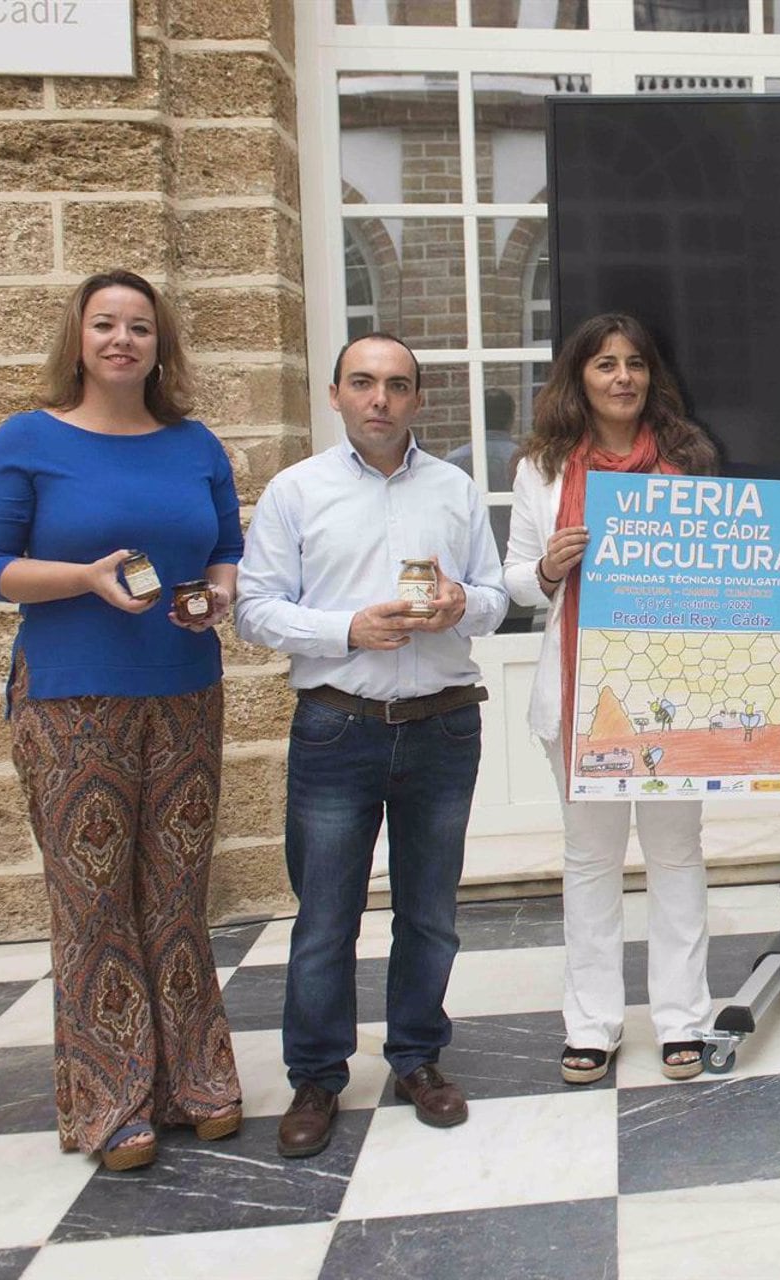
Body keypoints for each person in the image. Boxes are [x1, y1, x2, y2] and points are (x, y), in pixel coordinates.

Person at [0, 269, 243, 1170]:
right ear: (78, 339)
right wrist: (82, 578)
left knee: (176, 894)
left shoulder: (194, 442)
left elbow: (226, 548)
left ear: (162, 345)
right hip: (72, 697)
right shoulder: (28, 440)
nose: (123, 340)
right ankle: (112, 1100)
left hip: (186, 689)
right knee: (92, 902)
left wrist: (219, 594)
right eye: (106, 325)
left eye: (140, 327)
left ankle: (196, 1078)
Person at [236, 331, 507, 1158]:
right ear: (335, 395)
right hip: (335, 725)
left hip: (442, 724)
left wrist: (466, 602)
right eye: (363, 383)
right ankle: (317, 1077)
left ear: (418, 399)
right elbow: (254, 608)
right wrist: (346, 628)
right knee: (325, 918)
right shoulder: (296, 491)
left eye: (396, 385)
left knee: (431, 914)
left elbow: (497, 595)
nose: (379, 399)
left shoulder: (456, 489)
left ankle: (417, 1059)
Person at [503, 313, 720, 1085]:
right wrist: (548, 569)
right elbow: (513, 582)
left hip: (668, 692)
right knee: (590, 862)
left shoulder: (688, 461)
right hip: (578, 696)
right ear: (580, 378)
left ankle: (682, 1020)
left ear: (652, 375)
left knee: (675, 858)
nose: (622, 377)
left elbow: (722, 569)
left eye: (634, 363)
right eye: (604, 364)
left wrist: (767, 554)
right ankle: (591, 1024)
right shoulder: (543, 468)